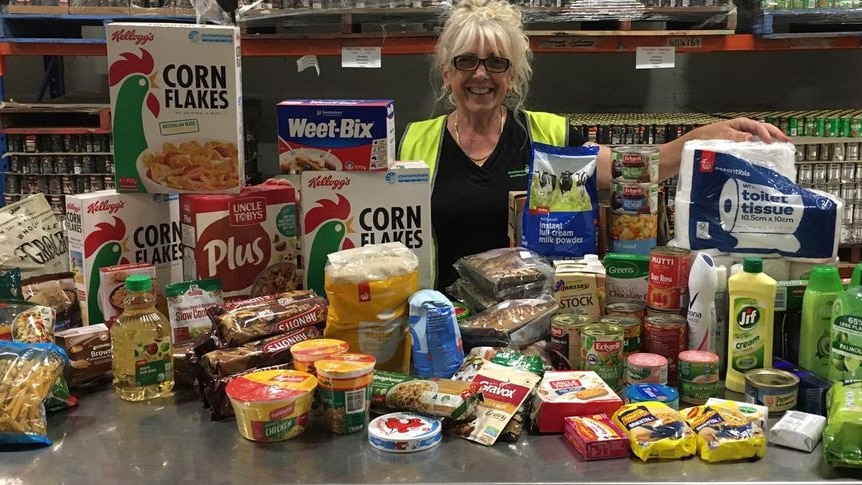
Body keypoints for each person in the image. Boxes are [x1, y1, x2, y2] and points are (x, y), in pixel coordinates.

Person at [398, 0, 791, 291]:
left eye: (496, 63)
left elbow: (630, 169)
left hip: (535, 320)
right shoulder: (415, 142)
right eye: (467, 62)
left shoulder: (546, 134)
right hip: (443, 320)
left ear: (513, 75)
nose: (481, 74)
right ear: (447, 73)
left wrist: (698, 139)